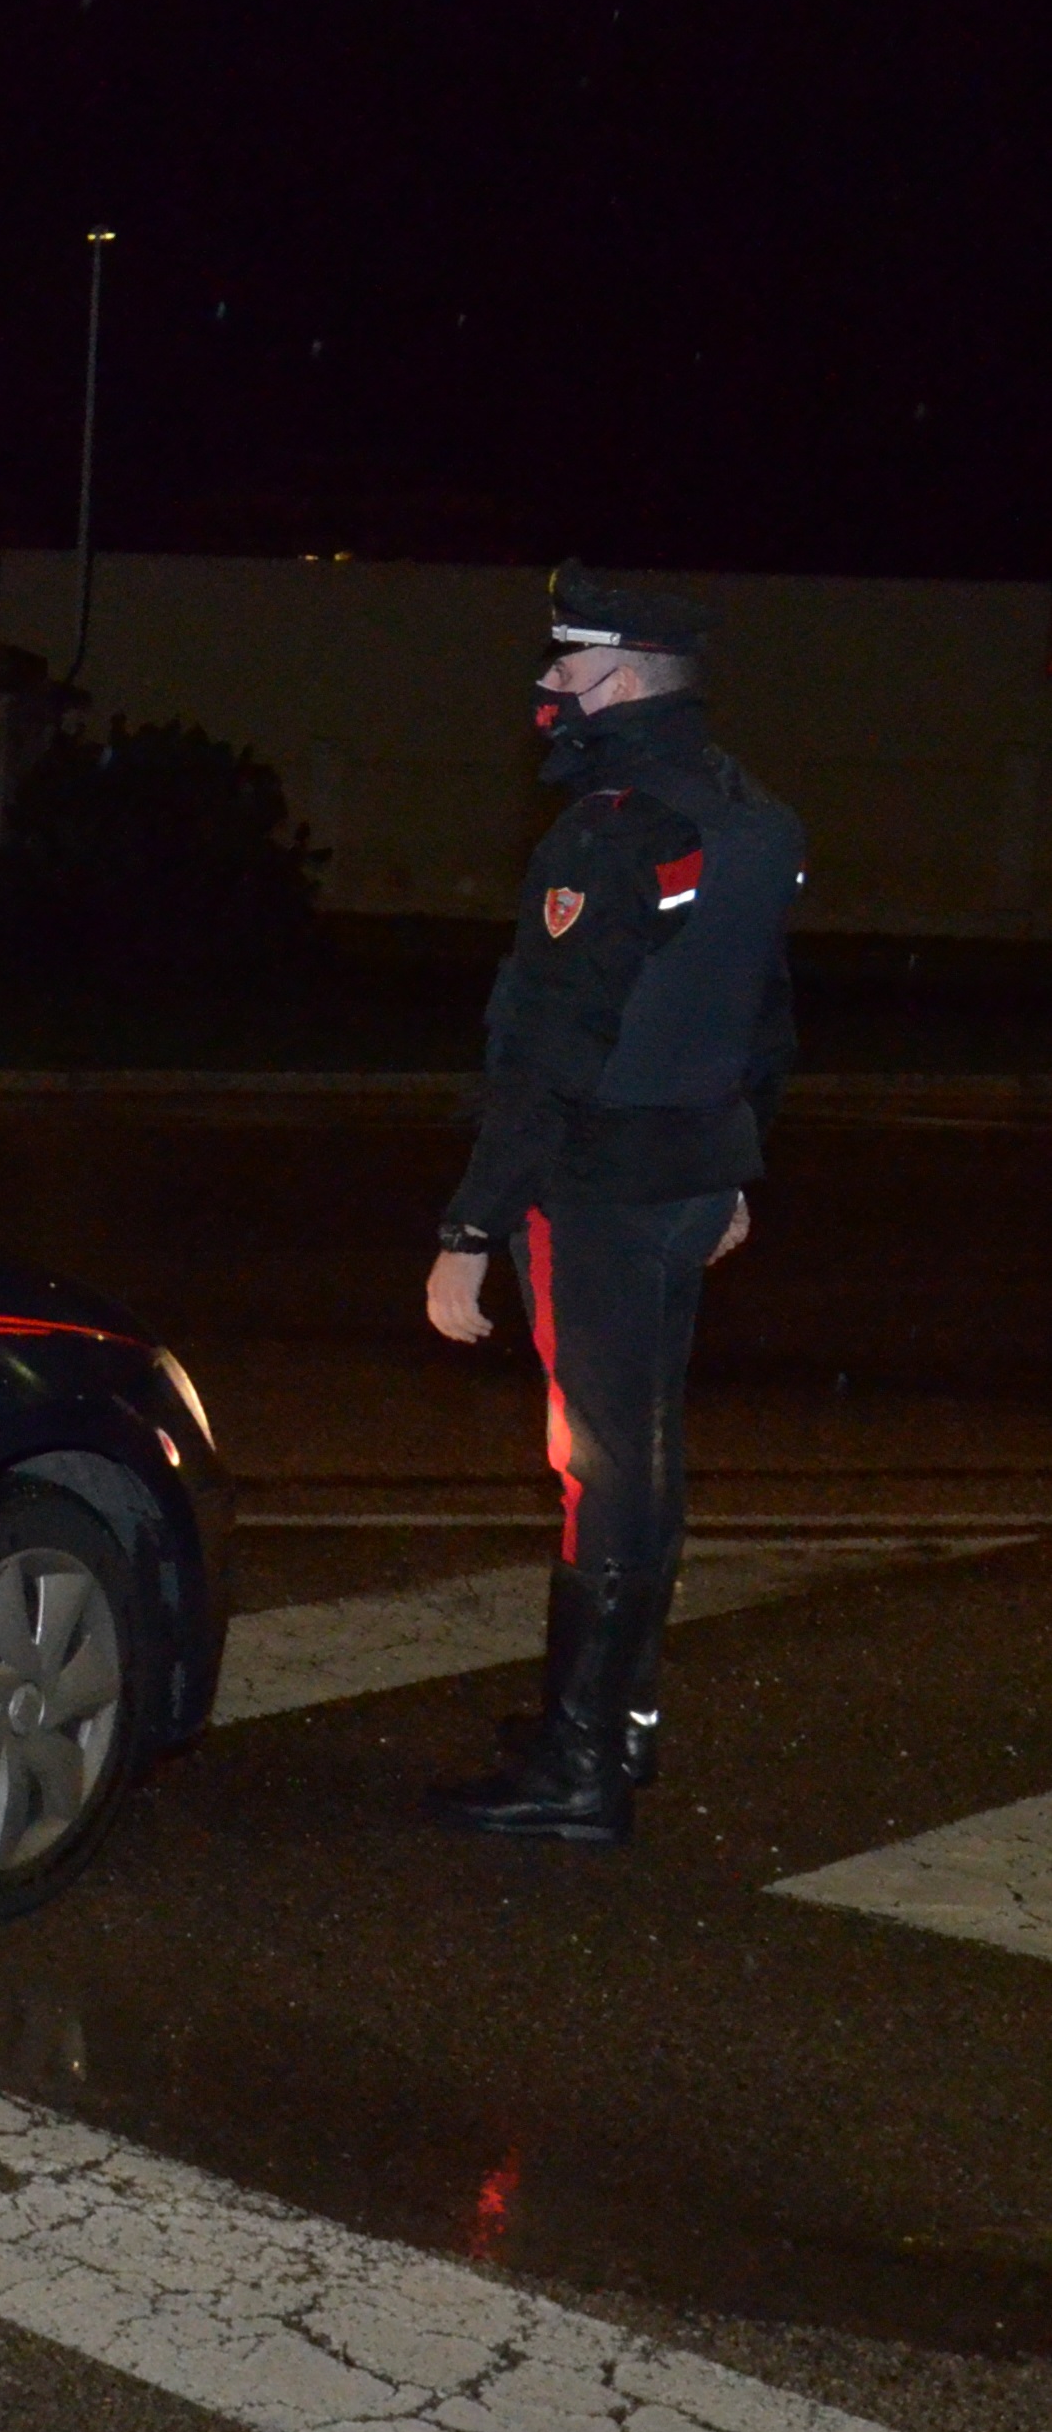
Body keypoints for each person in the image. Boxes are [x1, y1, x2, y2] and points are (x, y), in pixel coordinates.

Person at [422, 565, 803, 1842]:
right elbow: (757, 1016)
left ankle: (574, 1768)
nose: (542, 691)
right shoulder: (749, 815)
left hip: (595, 1186)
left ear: (624, 678)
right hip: (688, 1179)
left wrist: (466, 1230)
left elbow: (544, 1049)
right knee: (641, 1452)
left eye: (562, 666)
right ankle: (615, 1721)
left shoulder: (612, 827)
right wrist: (734, 1165)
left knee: (595, 1465)